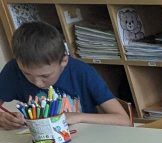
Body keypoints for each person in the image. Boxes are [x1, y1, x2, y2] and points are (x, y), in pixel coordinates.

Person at [0, 21, 131, 130]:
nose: (37, 82)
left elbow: (124, 120)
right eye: (27, 74)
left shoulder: (82, 72)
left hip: (87, 141)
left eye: (45, 76)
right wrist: (2, 118)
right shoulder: (13, 70)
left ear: (64, 61)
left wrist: (78, 117)